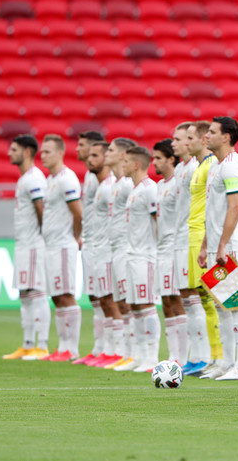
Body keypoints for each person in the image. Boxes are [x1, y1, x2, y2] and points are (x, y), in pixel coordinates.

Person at [197, 117, 238, 381]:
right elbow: (214, 211)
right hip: (218, 246)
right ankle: (226, 362)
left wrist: (221, 245)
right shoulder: (216, 167)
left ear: (227, 137)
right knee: (221, 306)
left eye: (212, 132)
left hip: (231, 246)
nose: (206, 135)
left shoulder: (233, 166)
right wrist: (206, 246)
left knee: (237, 306)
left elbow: (235, 207)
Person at [3, 135, 50, 360]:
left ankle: (42, 345)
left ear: (27, 152)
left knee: (37, 293)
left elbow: (41, 209)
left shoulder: (34, 179)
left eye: (14, 149)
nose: (9, 153)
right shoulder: (24, 179)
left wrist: (42, 238)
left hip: (34, 244)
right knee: (24, 293)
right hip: (24, 244)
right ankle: (27, 344)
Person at [115, 146, 160, 373]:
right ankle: (140, 354)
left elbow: (157, 222)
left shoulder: (150, 189)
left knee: (146, 303)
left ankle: (151, 356)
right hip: (132, 255)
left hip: (146, 256)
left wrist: (158, 250)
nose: (121, 167)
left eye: (125, 163)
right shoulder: (134, 190)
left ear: (135, 165)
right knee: (133, 305)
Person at [38, 134, 83, 361]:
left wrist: (76, 237)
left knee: (66, 294)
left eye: (47, 152)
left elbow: (78, 213)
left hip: (64, 245)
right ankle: (62, 346)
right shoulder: (50, 180)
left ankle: (71, 348)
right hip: (51, 245)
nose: (43, 156)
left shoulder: (67, 179)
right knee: (56, 296)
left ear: (60, 153)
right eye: (42, 152)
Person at [82, 142, 125, 369]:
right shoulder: (102, 186)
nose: (91, 159)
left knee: (111, 299)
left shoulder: (112, 186)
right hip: (97, 248)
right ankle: (107, 350)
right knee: (101, 299)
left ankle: (118, 350)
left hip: (108, 250)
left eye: (97, 154)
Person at [187, 122, 224, 378]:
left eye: (190, 137)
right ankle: (211, 356)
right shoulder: (200, 166)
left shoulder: (211, 165)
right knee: (202, 299)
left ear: (203, 139)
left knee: (212, 298)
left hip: (204, 235)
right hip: (196, 235)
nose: (187, 142)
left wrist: (208, 241)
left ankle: (219, 356)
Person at [173, 122, 209, 375]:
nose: (180, 143)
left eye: (184, 138)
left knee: (199, 297)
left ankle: (202, 356)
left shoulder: (200, 167)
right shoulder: (182, 169)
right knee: (188, 297)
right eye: (178, 139)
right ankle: (196, 356)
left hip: (195, 237)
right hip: (182, 237)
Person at [73, 130, 106, 365]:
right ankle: (99, 347)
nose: (78, 149)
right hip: (91, 241)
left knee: (108, 298)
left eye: (83, 145)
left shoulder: (105, 178)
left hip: (104, 244)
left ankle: (111, 348)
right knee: (95, 297)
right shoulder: (89, 175)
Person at [154, 139, 188, 367]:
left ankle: (184, 357)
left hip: (176, 247)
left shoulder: (179, 183)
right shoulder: (159, 186)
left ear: (171, 159)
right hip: (162, 249)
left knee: (177, 301)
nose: (154, 162)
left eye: (158, 158)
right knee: (166, 302)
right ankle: (173, 354)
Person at [103, 137, 137, 370]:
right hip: (115, 248)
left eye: (111, 150)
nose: (107, 153)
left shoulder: (127, 184)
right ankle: (124, 351)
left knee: (129, 302)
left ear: (123, 155)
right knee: (120, 301)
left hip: (128, 249)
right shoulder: (115, 184)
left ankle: (134, 353)